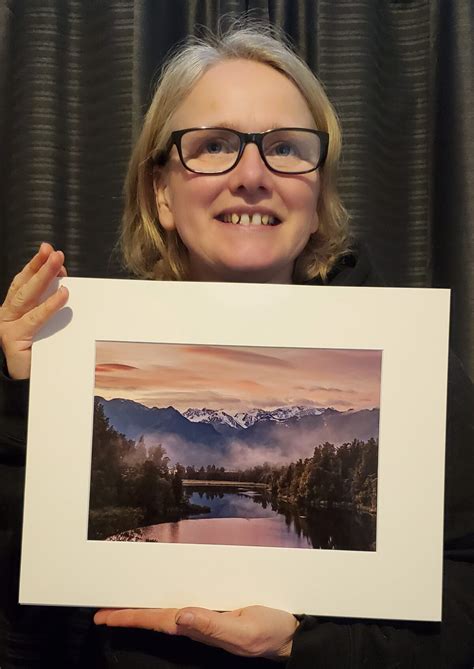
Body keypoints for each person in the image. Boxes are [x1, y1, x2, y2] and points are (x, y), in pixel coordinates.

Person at [1, 22, 473, 669]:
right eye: (215, 144)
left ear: (318, 192)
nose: (251, 173)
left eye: (285, 147)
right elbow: (25, 620)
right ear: (162, 191)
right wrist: (23, 405)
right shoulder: (71, 349)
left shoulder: (418, 370)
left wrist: (303, 644)